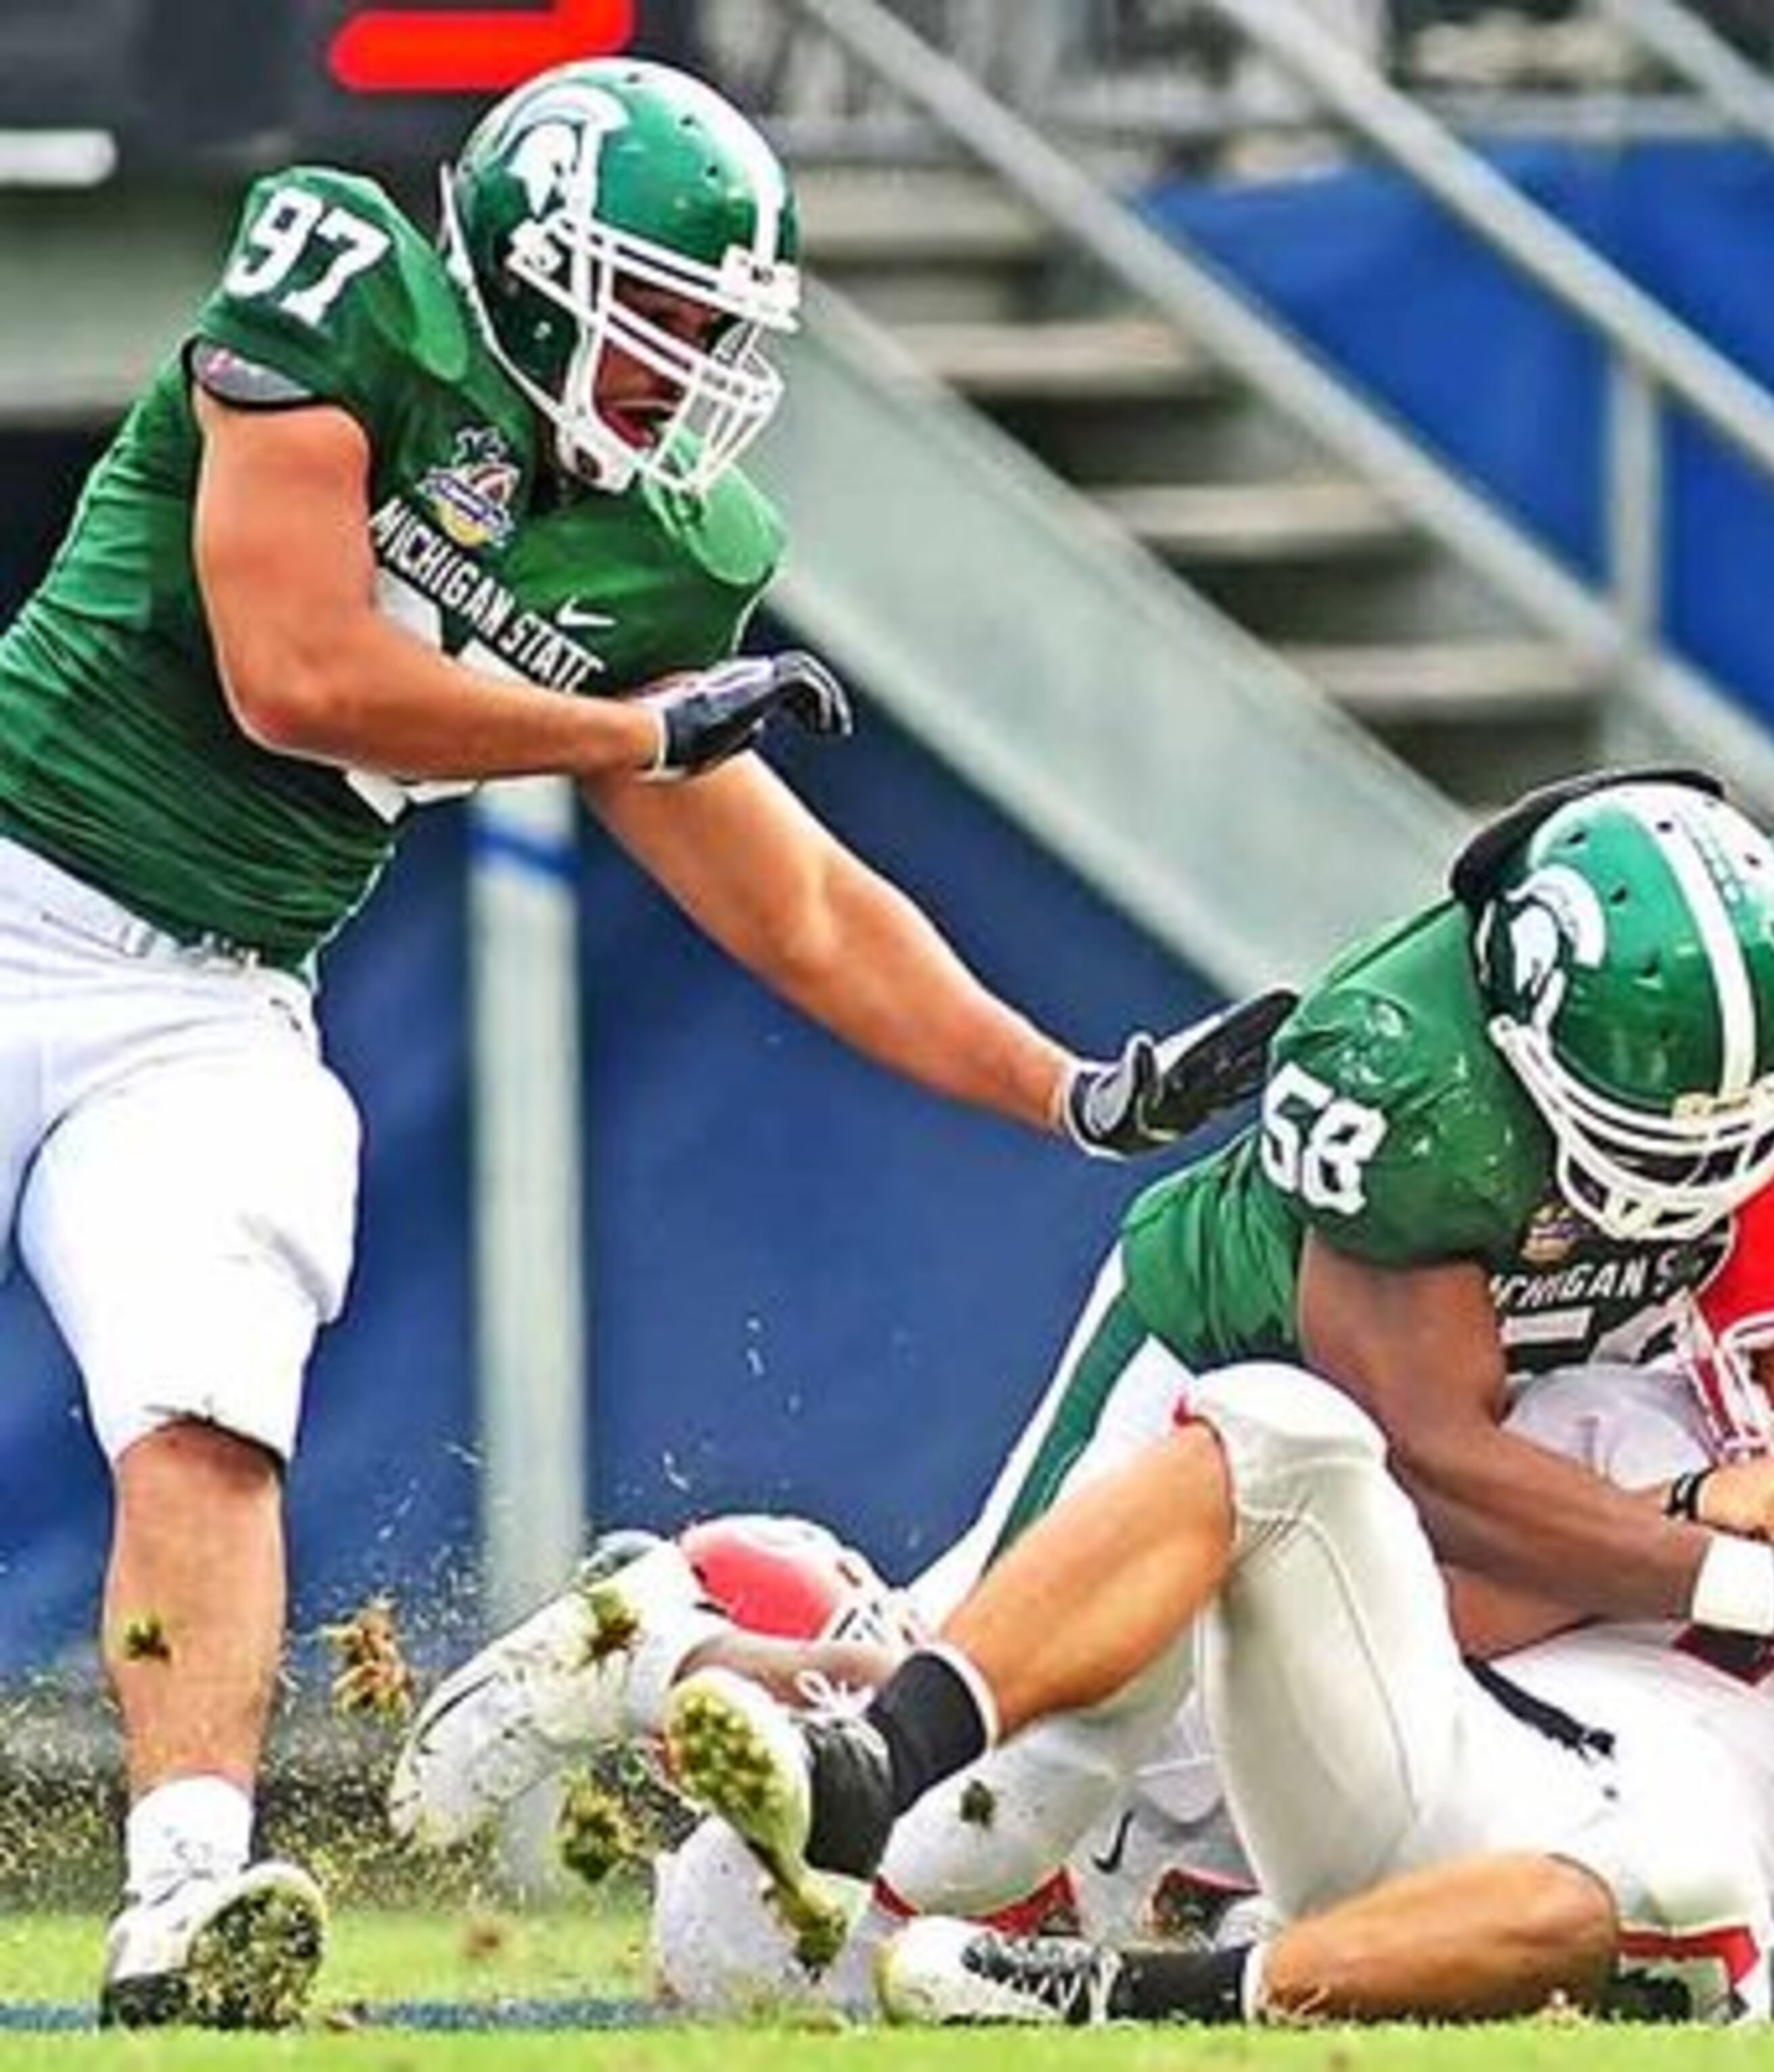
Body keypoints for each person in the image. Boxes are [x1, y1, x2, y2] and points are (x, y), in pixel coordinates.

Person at [0, 55, 1280, 2029]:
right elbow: (292, 671)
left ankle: (181, 1895)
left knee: (207, 1401)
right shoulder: (343, 279)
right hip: (18, 872)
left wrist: (1069, 1082)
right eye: (659, 312)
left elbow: (802, 903)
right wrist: (624, 731)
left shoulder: (659, 552)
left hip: (217, 990)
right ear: (530, 269)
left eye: (717, 329)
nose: (687, 368)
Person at [424, 1147, 1774, 2024]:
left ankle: (1096, 1998)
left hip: (1634, 1902)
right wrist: (1700, 1530)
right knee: (1267, 1422)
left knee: (1684, 1889)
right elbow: (1439, 1598)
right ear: (1717, 1352)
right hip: (1401, 1764)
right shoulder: (1625, 1418)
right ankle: (850, 1729)